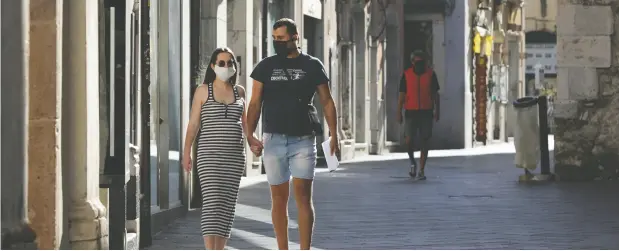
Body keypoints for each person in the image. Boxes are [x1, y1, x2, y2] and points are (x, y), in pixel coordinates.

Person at [245, 18, 340, 250]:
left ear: (295, 37)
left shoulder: (312, 65)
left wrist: (335, 135)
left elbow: (327, 101)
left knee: (303, 198)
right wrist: (250, 135)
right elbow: (255, 103)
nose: (277, 43)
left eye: (282, 39)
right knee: (278, 199)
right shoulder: (265, 66)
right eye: (275, 39)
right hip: (273, 138)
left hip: (303, 139)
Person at [182, 47, 257, 250]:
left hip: (234, 157)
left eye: (230, 63)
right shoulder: (203, 90)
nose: (226, 66)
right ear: (213, 66)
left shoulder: (239, 91)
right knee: (212, 203)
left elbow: (245, 124)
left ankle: (220, 248)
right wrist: (186, 152)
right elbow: (193, 125)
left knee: (227, 206)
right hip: (209, 156)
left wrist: (252, 141)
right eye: (221, 63)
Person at [397, 50, 440, 180]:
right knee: (408, 140)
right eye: (417, 62)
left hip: (426, 112)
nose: (420, 64)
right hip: (411, 111)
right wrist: (398, 112)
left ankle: (421, 169)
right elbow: (401, 96)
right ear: (412, 62)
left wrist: (438, 110)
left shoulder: (431, 75)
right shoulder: (406, 75)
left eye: (422, 62)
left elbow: (435, 95)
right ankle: (412, 162)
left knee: (425, 141)